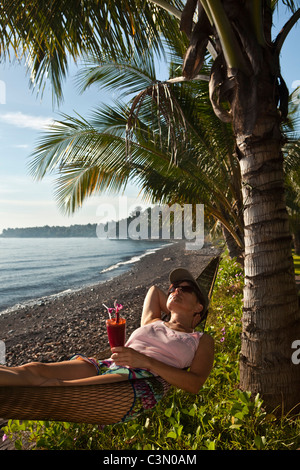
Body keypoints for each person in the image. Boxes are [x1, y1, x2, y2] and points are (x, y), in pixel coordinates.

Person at [0, 268, 214, 423]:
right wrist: (175, 302)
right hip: (109, 364)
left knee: (54, 388)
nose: (175, 290)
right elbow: (153, 291)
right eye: (173, 288)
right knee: (33, 369)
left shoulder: (200, 339)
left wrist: (146, 361)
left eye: (184, 288)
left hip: (141, 380)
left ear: (199, 306)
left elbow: (195, 384)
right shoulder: (153, 321)